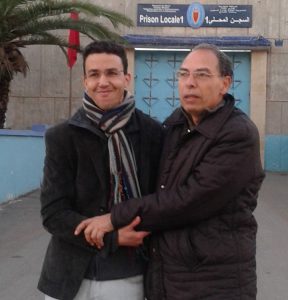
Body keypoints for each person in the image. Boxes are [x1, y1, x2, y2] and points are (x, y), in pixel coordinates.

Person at [75, 43, 265, 300]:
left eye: (201, 75)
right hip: (167, 275)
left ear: (225, 83)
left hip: (215, 279)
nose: (189, 82)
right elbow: (155, 187)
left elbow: (189, 201)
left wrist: (113, 217)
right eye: (183, 74)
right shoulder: (174, 127)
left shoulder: (237, 134)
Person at [37, 41, 163, 300]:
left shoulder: (153, 134)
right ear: (85, 81)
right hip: (67, 278)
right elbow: (53, 213)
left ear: (126, 78)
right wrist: (113, 237)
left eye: (112, 73)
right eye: (94, 74)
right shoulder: (61, 137)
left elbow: (159, 200)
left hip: (128, 274)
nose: (103, 82)